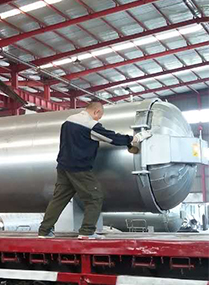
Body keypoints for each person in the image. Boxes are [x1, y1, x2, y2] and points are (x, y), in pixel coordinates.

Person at [38, 102, 151, 239]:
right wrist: (135, 138)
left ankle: (44, 231)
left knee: (59, 199)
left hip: (63, 167)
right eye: (99, 116)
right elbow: (111, 138)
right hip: (79, 169)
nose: (98, 119)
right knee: (95, 198)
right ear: (96, 111)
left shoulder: (68, 122)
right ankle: (87, 232)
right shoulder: (90, 125)